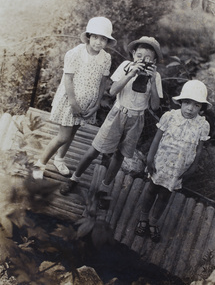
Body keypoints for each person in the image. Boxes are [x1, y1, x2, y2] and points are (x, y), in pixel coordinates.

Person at [60, 36, 163, 208]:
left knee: (119, 155)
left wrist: (152, 82)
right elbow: (113, 91)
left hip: (137, 119)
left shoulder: (156, 76)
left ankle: (104, 189)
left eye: (147, 58)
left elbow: (155, 105)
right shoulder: (125, 67)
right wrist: (131, 74)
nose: (142, 61)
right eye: (139, 56)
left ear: (153, 61)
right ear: (133, 55)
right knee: (95, 149)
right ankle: (74, 178)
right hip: (118, 113)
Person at [32, 17, 116, 179]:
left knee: (73, 132)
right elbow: (68, 79)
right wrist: (73, 103)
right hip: (71, 101)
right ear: (89, 36)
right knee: (63, 136)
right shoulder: (75, 53)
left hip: (88, 103)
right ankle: (40, 163)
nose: (99, 42)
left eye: (103, 39)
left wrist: (96, 104)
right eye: (96, 37)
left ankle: (60, 158)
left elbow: (103, 82)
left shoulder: (106, 58)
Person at [135, 80, 211, 243]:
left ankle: (153, 222)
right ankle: (143, 218)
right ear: (181, 102)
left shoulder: (202, 126)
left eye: (196, 105)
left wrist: (193, 167)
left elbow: (199, 149)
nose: (190, 108)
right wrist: (150, 158)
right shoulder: (170, 117)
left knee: (164, 195)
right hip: (161, 163)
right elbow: (157, 139)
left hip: (178, 169)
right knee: (151, 190)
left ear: (201, 108)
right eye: (187, 103)